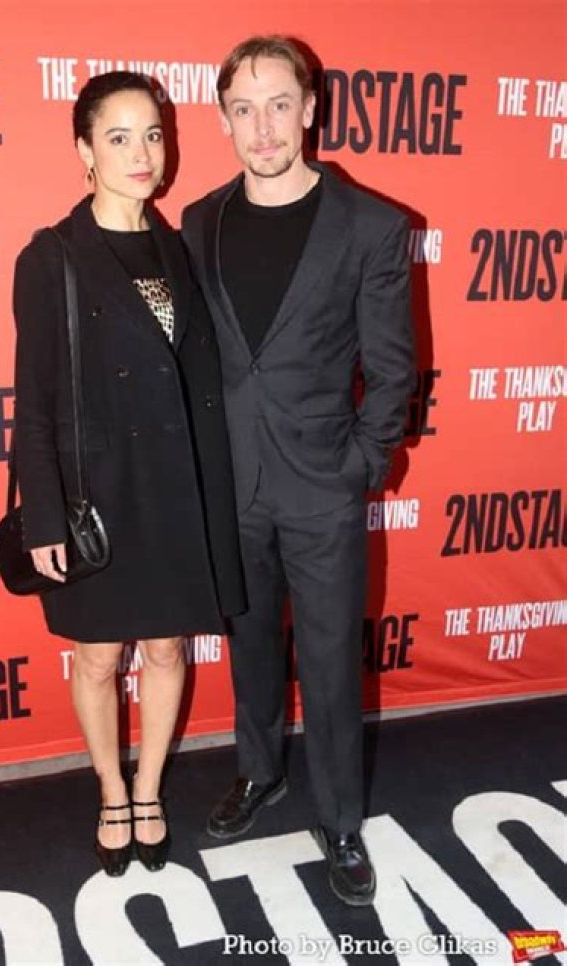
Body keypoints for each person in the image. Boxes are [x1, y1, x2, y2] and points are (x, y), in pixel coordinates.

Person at [181, 36, 414, 906]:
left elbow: (392, 370)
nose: (264, 127)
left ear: (310, 108)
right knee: (248, 644)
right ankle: (258, 770)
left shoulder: (371, 225)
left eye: (279, 104)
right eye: (244, 109)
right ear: (223, 120)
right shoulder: (199, 222)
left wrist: (358, 467)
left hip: (322, 487)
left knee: (328, 658)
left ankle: (342, 819)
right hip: (231, 483)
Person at [12, 71, 245, 877]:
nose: (142, 153)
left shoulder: (179, 248)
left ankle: (150, 790)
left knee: (168, 649)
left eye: (152, 134)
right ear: (85, 150)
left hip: (175, 489)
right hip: (100, 495)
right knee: (99, 658)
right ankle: (111, 789)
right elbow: (33, 398)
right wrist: (44, 514)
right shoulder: (52, 257)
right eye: (119, 137)